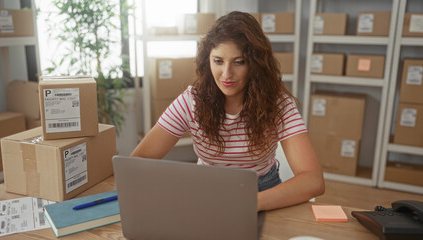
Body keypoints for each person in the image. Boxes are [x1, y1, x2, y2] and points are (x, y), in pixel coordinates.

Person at [131, 11, 325, 211]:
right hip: (206, 191)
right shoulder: (191, 101)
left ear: (256, 64)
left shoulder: (279, 104)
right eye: (218, 61)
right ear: (208, 61)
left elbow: (313, 180)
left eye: (239, 62)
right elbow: (138, 162)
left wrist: (247, 204)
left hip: (263, 193)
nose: (226, 74)